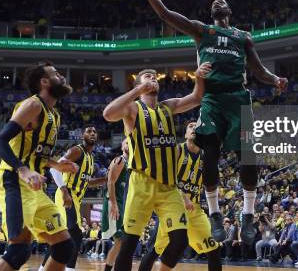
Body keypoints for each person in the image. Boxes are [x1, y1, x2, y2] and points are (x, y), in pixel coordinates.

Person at [127, 0, 287, 244]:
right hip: (212, 99)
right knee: (209, 154)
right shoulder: (201, 30)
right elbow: (165, 14)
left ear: (229, 12)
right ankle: (214, 214)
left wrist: (275, 80)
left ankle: (248, 216)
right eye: (214, 2)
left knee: (248, 156)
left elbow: (259, 70)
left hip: (239, 98)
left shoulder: (243, 37)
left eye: (222, 1)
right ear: (212, 13)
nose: (218, 2)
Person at [103, 63, 210, 271]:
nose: (153, 78)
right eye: (147, 77)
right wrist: (136, 91)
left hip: (169, 186)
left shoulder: (167, 107)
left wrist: (198, 76)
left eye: (155, 76)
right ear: (138, 85)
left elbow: (197, 98)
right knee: (129, 243)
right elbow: (108, 114)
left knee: (180, 240)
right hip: (141, 183)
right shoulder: (133, 109)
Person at [0, 61, 79, 271]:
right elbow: (0, 141)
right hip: (14, 180)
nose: (62, 77)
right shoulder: (33, 105)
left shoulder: (54, 115)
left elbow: (35, 155)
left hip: (33, 186)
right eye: (57, 73)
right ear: (44, 81)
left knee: (64, 247)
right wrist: (23, 170)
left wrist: (56, 165)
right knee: (19, 250)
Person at [138, 121, 222, 271]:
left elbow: (211, 182)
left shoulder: (206, 156)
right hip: (172, 207)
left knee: (214, 248)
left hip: (194, 210)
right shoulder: (177, 150)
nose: (194, 128)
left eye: (197, 126)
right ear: (185, 134)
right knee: (153, 250)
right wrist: (184, 196)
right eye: (190, 126)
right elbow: (165, 178)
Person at [39, 126, 107, 271]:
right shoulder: (77, 151)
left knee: (61, 236)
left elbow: (86, 182)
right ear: (83, 135)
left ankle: (42, 268)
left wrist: (106, 179)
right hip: (67, 194)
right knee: (74, 233)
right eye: (89, 131)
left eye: (95, 131)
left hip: (75, 198)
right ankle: (69, 268)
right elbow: (54, 168)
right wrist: (64, 191)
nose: (93, 133)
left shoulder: (90, 158)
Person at [101, 138, 130, 271]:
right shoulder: (120, 160)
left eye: (131, 141)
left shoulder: (132, 163)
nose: (129, 143)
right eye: (126, 142)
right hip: (115, 204)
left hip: (124, 205)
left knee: (123, 242)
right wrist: (113, 204)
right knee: (120, 241)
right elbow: (110, 182)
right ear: (121, 147)